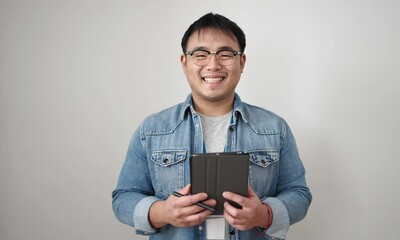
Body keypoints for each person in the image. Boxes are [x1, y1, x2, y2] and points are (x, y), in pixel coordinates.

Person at [112, 13, 312, 240]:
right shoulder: (152, 129)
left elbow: (299, 194)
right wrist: (163, 212)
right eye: (200, 54)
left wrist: (264, 215)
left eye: (226, 54)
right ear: (184, 62)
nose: (213, 64)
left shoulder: (275, 129)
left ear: (242, 62)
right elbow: (123, 198)